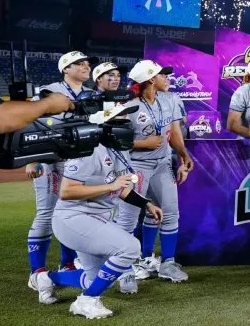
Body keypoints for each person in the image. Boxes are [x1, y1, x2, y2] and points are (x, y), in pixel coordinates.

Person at [31, 105, 164, 319]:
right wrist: (109, 187)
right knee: (129, 248)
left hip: (94, 219)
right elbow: (66, 192)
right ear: (103, 127)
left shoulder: (117, 150)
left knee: (95, 279)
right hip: (73, 219)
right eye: (119, 122)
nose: (126, 125)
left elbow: (121, 187)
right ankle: (86, 301)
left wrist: (146, 204)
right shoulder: (87, 152)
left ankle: (47, 279)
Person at [114, 60, 193, 292]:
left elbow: (174, 132)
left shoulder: (167, 101)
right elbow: (116, 143)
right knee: (127, 220)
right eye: (161, 75)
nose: (166, 78)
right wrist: (142, 143)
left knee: (171, 212)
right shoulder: (127, 108)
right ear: (150, 80)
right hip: (136, 166)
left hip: (162, 164)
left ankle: (167, 263)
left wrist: (183, 155)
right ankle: (125, 270)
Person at [26, 51, 96, 290]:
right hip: (50, 158)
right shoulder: (50, 90)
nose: (86, 66)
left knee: (71, 212)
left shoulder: (91, 93)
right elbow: (31, 121)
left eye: (87, 63)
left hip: (78, 159)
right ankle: (37, 271)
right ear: (65, 69)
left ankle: (67, 263)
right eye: (79, 63)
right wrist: (32, 159)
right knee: (46, 212)